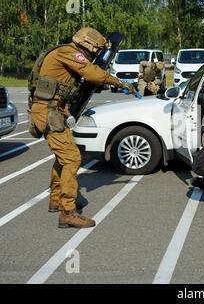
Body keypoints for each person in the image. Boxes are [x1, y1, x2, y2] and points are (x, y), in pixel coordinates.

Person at [28, 27, 135, 229]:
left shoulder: (66, 53)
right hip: (48, 112)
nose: (95, 55)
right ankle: (67, 212)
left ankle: (56, 198)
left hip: (53, 111)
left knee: (64, 156)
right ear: (88, 45)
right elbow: (92, 73)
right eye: (96, 51)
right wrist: (119, 82)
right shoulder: (69, 52)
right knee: (72, 158)